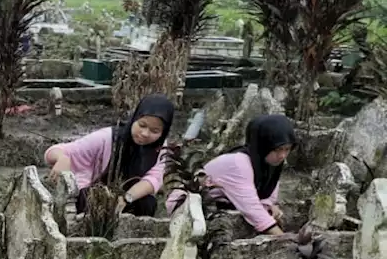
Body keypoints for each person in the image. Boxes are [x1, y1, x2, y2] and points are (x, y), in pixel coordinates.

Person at [44, 94, 176, 217]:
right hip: (95, 196)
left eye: (155, 131)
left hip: (125, 197)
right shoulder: (107, 138)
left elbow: (153, 179)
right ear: (135, 118)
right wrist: (62, 158)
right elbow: (54, 151)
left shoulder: (159, 148)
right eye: (142, 125)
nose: (145, 133)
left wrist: (126, 198)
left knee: (147, 203)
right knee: (89, 199)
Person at [168, 114, 296, 236]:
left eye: (287, 149)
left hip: (221, 205)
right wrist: (284, 238)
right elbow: (252, 209)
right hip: (189, 209)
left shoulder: (269, 164)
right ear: (264, 146)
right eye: (278, 149)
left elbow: (267, 197)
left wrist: (270, 205)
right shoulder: (239, 164)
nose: (283, 156)